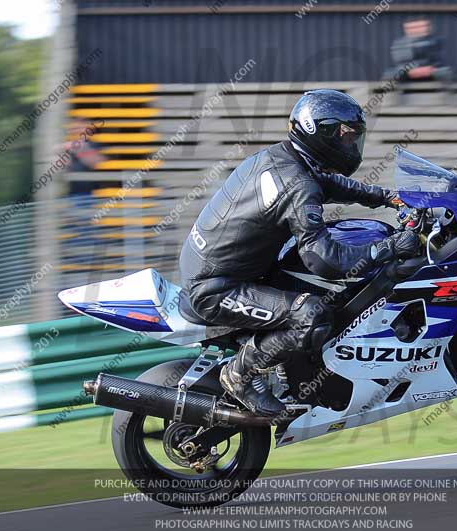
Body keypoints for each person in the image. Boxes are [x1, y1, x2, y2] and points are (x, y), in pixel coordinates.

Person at [178, 90, 420, 416]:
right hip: (216, 287)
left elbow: (330, 184)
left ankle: (288, 371)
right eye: (345, 137)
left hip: (228, 270)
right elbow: (324, 260)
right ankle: (240, 375)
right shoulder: (296, 184)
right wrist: (387, 248)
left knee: (307, 292)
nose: (351, 145)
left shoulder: (286, 158)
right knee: (312, 315)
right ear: (321, 134)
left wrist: (389, 198)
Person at [383, 19, 451, 83]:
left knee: (446, 73)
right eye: (413, 27)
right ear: (407, 29)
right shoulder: (400, 43)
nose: (417, 30)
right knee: (389, 75)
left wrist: (429, 68)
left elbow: (437, 59)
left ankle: (446, 94)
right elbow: (400, 61)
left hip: (431, 71)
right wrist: (411, 71)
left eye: (421, 26)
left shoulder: (436, 41)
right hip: (407, 72)